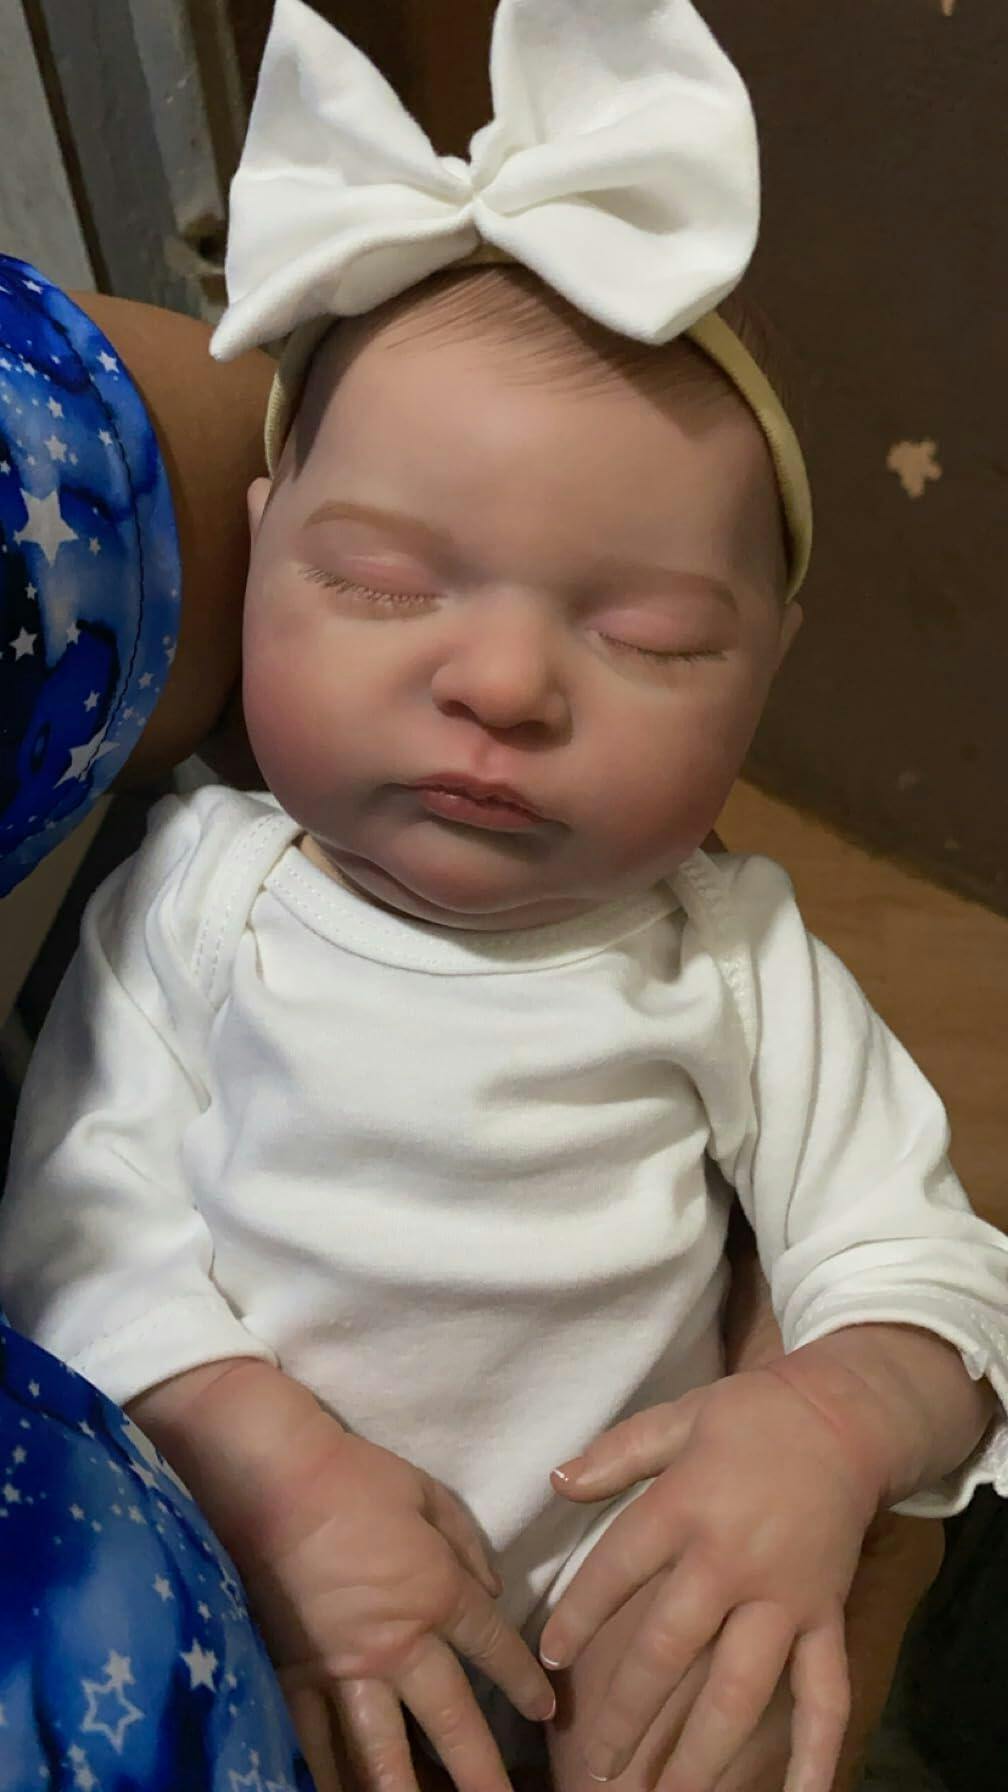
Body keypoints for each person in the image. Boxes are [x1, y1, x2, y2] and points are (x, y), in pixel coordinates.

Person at [0, 8, 974, 1791]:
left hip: (619, 1640)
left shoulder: (735, 954)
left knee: (749, 1711)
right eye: (383, 586)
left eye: (649, 638)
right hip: (270, 1613)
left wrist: (831, 1423)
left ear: (767, 669)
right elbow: (80, 1233)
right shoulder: (204, 902)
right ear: (259, 550)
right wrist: (277, 1479)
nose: (506, 684)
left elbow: (921, 1269)